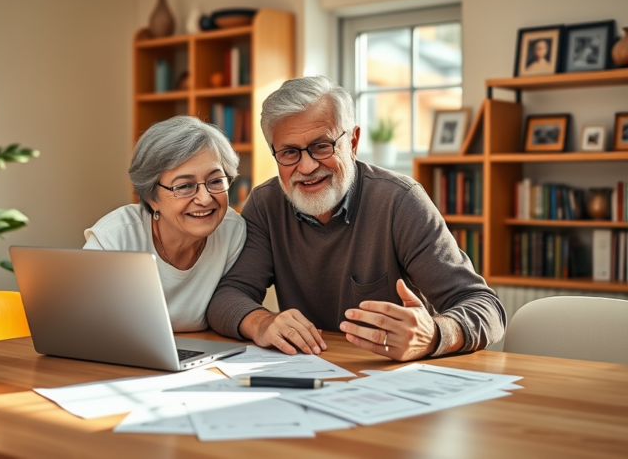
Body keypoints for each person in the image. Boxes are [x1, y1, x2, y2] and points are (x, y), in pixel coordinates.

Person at [206, 76, 506, 361]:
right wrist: (261, 322)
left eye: (321, 146)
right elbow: (227, 296)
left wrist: (434, 334)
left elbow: (486, 308)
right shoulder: (265, 203)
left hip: (397, 380)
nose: (307, 166)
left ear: (352, 142)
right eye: (289, 152)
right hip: (310, 376)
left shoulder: (400, 201)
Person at [84, 116, 246, 332]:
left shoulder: (233, 231)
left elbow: (232, 308)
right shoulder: (115, 237)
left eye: (216, 181)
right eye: (185, 186)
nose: (205, 199)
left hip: (203, 358)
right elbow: (79, 322)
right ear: (152, 197)